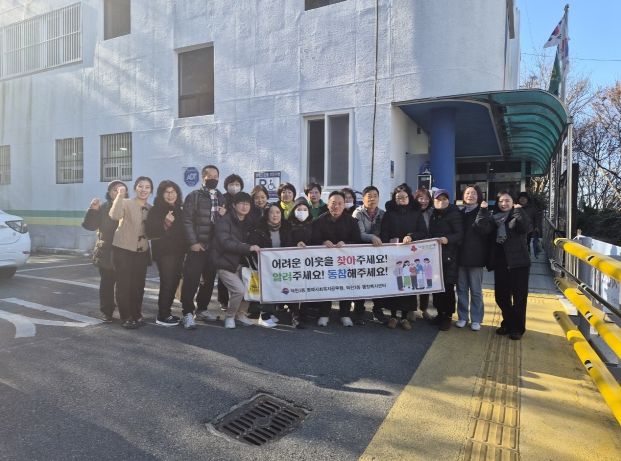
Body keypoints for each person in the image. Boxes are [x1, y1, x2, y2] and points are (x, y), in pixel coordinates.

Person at [180, 165, 226, 330]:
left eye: (216, 176)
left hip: (213, 248)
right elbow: (186, 221)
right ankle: (187, 313)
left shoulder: (221, 197)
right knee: (191, 280)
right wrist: (193, 242)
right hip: (197, 246)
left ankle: (202, 309)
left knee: (208, 281)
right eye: (209, 176)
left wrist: (223, 215)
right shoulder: (194, 196)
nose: (213, 178)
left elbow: (224, 223)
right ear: (203, 177)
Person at [485, 191, 532, 340]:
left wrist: (518, 211)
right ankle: (508, 322)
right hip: (501, 263)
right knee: (501, 296)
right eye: (501, 201)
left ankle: (517, 328)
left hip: (519, 263)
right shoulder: (494, 218)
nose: (504, 204)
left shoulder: (518, 214)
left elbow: (526, 228)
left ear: (513, 202)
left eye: (507, 201)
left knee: (519, 298)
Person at [310, 191, 362, 327]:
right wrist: (322, 242)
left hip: (345, 262)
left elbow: (357, 240)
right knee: (325, 286)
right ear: (328, 204)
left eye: (340, 203)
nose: (336, 206)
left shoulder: (351, 221)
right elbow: (312, 239)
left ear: (344, 205)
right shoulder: (319, 221)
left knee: (346, 285)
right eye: (333, 203)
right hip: (325, 262)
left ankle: (345, 314)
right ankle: (324, 314)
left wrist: (346, 244)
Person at [109, 177, 153, 329]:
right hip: (123, 250)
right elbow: (114, 215)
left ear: (151, 191)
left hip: (142, 251)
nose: (143, 189)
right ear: (135, 188)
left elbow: (154, 231)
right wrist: (120, 196)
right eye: (140, 186)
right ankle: (126, 316)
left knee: (138, 285)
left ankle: (136, 314)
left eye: (147, 187)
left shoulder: (151, 208)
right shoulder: (126, 202)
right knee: (124, 285)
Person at [380, 185, 427, 329]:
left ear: (409, 197)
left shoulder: (416, 213)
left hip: (410, 255)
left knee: (408, 283)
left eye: (404, 197)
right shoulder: (389, 213)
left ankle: (405, 317)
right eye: (398, 197)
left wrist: (411, 236)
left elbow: (423, 232)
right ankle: (393, 316)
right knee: (394, 283)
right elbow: (384, 232)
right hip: (393, 254)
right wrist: (389, 242)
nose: (401, 199)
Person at [212, 192, 261, 328]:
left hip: (243, 264)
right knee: (239, 290)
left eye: (247, 204)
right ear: (234, 205)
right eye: (241, 203)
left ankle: (241, 314)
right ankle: (230, 316)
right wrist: (248, 248)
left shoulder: (249, 221)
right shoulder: (225, 221)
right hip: (225, 262)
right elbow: (225, 242)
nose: (245, 207)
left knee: (249, 288)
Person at [81, 180, 128, 322]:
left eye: (121, 189)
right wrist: (92, 210)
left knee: (125, 284)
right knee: (107, 284)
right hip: (107, 251)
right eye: (115, 190)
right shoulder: (103, 208)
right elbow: (90, 226)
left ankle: (126, 311)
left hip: (125, 251)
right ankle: (107, 311)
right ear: (109, 193)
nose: (118, 192)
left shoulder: (129, 206)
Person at [145, 180, 186, 326]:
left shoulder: (179, 209)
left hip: (178, 252)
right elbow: (150, 232)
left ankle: (167, 312)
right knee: (167, 282)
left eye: (173, 192)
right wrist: (166, 222)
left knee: (174, 282)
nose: (170, 195)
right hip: (165, 253)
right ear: (161, 194)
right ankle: (162, 315)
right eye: (167, 192)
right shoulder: (156, 210)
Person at [247, 204, 293, 327]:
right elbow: (253, 247)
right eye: (272, 212)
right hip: (263, 266)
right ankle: (263, 316)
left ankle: (270, 312)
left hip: (280, 266)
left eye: (278, 212)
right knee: (266, 289)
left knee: (276, 289)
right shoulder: (259, 230)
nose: (275, 215)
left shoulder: (286, 228)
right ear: (267, 215)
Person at [456, 185, 494, 331]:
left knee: (476, 291)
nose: (470, 196)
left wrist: (483, 211)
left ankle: (476, 319)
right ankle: (462, 317)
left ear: (478, 196)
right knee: (461, 289)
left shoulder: (483, 212)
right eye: (467, 193)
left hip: (476, 258)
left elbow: (485, 230)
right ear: (463, 196)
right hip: (460, 257)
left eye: (473, 193)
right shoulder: (460, 213)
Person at [428, 188, 463, 331]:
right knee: (437, 287)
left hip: (450, 256)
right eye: (438, 199)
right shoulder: (433, 214)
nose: (441, 202)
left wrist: (447, 239)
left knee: (448, 287)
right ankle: (439, 313)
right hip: (435, 256)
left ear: (449, 200)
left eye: (444, 199)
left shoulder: (454, 213)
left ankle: (447, 316)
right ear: (434, 201)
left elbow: (460, 234)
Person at [350, 186, 385, 325]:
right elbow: (359, 234)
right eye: (369, 196)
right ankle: (359, 311)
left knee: (379, 282)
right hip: (362, 255)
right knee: (361, 282)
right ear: (363, 198)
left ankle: (378, 310)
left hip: (378, 255)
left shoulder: (383, 214)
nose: (372, 199)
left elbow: (386, 232)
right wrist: (372, 237)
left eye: (375, 196)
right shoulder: (357, 213)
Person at [287, 198, 315, 329]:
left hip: (309, 262)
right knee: (294, 288)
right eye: (299, 209)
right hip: (293, 262)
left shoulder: (313, 224)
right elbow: (285, 241)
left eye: (305, 209)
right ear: (294, 210)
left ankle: (304, 313)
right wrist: (295, 244)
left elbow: (317, 239)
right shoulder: (287, 225)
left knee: (307, 287)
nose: (302, 212)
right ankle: (295, 315)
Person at [411, 188, 434, 320]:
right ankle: (411, 309)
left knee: (426, 280)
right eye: (421, 198)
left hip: (428, 250)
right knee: (412, 279)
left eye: (426, 199)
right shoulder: (411, 212)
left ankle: (424, 309)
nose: (424, 201)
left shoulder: (432, 212)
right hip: (412, 250)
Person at [517, 192, 542, 258]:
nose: (522, 200)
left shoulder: (532, 208)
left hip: (528, 229)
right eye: (521, 198)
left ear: (527, 199)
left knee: (527, 243)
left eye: (524, 198)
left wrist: (536, 227)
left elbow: (536, 218)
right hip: (517, 229)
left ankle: (527, 256)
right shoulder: (516, 207)